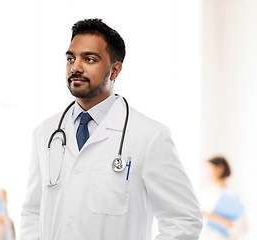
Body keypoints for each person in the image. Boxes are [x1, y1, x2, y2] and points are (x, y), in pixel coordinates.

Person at [20, 18, 203, 240]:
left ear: (115, 70)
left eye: (89, 59)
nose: (76, 67)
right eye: (71, 58)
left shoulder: (149, 136)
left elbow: (183, 219)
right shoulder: (45, 133)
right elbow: (33, 212)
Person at [200, 156, 246, 240]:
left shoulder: (232, 195)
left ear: (220, 169)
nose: (205, 174)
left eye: (208, 170)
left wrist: (214, 217)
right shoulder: (204, 194)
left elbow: (241, 228)